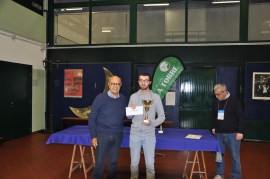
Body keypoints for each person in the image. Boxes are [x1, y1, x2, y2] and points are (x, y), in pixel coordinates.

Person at [127, 73, 165, 179]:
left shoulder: (156, 97)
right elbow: (129, 117)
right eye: (141, 80)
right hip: (134, 134)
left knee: (150, 165)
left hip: (149, 135)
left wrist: (152, 123)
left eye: (146, 80)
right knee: (134, 164)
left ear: (149, 82)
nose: (143, 82)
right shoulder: (133, 97)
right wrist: (132, 111)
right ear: (138, 82)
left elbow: (162, 117)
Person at [88, 75, 127, 179]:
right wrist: (93, 136)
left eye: (118, 84)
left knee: (113, 163)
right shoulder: (100, 98)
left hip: (117, 135)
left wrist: (133, 109)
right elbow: (92, 118)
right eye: (113, 83)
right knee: (99, 164)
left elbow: (126, 115)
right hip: (102, 135)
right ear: (109, 84)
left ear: (121, 85)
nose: (115, 86)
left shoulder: (123, 99)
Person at [211, 83, 244, 179]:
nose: (217, 97)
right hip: (219, 133)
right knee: (219, 155)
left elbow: (240, 117)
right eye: (215, 94)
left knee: (235, 157)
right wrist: (213, 127)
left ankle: (236, 176)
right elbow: (213, 115)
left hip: (233, 134)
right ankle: (219, 174)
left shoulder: (235, 101)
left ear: (225, 92)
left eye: (218, 94)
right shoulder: (215, 101)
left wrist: (240, 132)